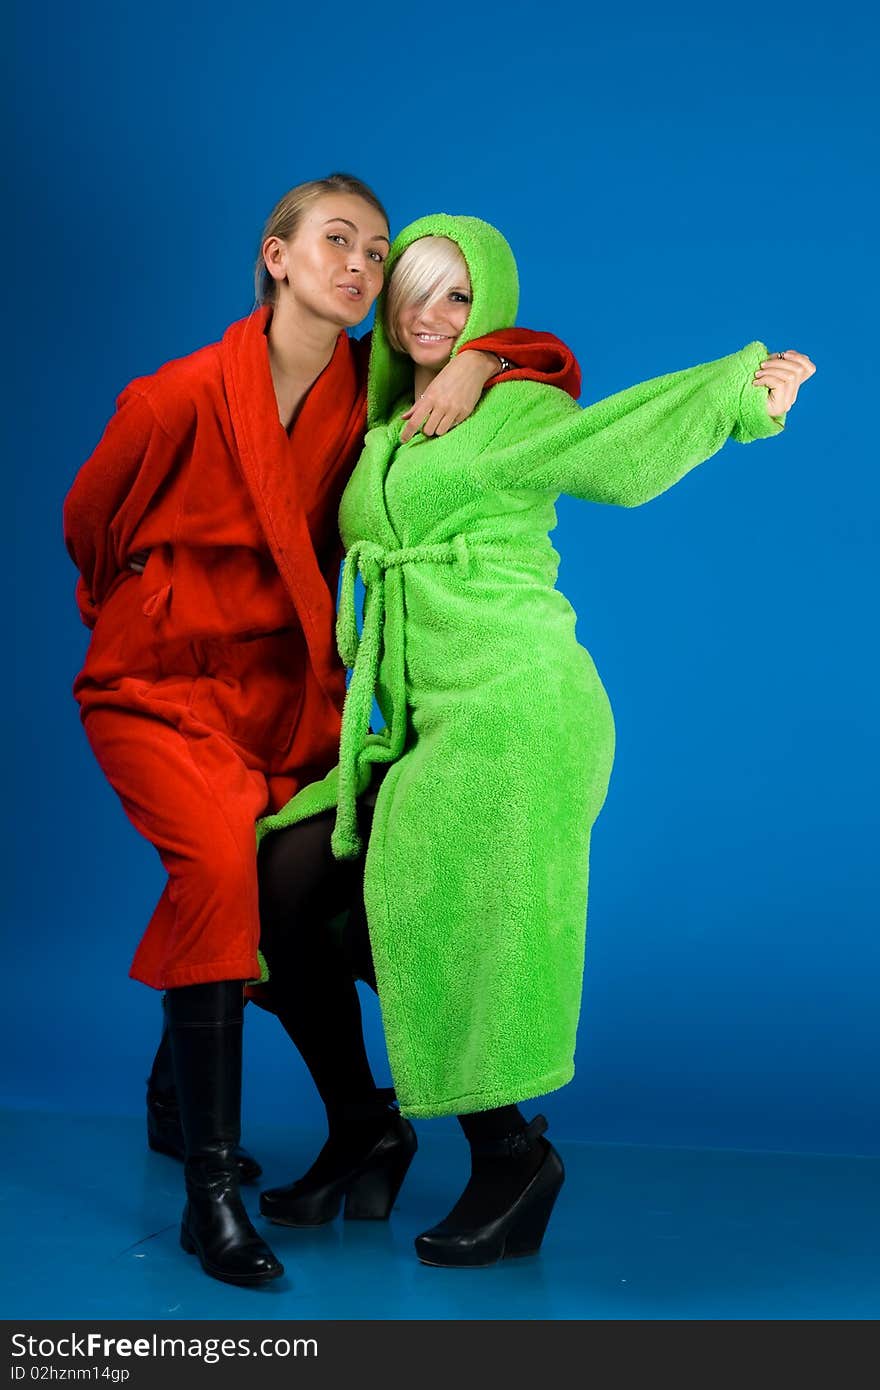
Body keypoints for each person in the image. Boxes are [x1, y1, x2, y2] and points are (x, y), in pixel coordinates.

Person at [254, 213, 816, 1268]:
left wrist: (742, 400)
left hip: (516, 703)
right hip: (428, 721)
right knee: (285, 884)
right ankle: (363, 1124)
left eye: (459, 297)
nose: (429, 313)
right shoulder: (380, 431)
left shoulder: (508, 405)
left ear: (490, 314)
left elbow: (607, 443)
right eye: (413, 290)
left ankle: (511, 1156)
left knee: (428, 908)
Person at [63, 180, 580, 1287]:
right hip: (167, 681)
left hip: (297, 699)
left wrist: (491, 356)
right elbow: (90, 523)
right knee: (219, 867)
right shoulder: (175, 395)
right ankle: (210, 1187)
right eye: (335, 242)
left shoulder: (372, 393)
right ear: (277, 257)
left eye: (375, 250)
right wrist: (155, 610)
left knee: (333, 886)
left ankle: (378, 1124)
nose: (358, 264)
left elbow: (527, 364)